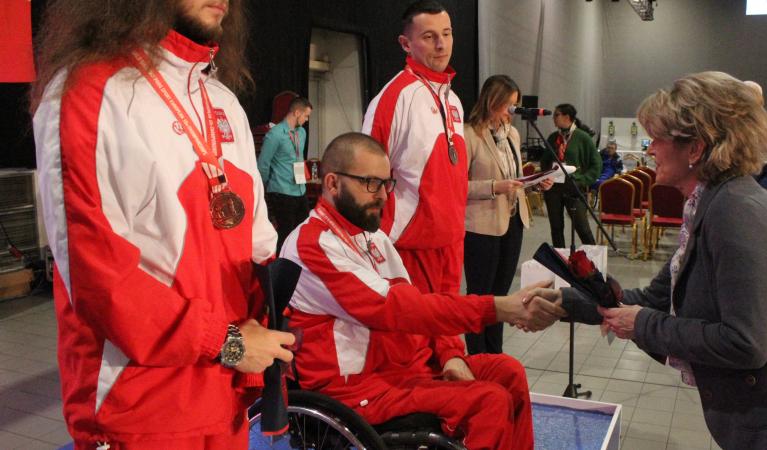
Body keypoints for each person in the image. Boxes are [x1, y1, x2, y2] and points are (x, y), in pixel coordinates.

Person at [31, 1, 296, 448]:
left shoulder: (222, 101)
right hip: (139, 407)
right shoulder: (87, 91)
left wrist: (261, 344)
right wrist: (228, 342)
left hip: (223, 395)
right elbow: (99, 279)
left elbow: (256, 243)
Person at [541, 72, 767, 450]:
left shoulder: (737, 213)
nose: (649, 149)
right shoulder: (711, 203)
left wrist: (642, 324)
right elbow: (654, 297)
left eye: (658, 138)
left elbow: (746, 343)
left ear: (695, 148)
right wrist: (562, 302)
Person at [282, 132, 567, 449]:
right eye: (371, 183)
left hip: (404, 369)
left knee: (508, 371)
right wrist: (498, 308)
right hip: (359, 388)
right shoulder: (311, 244)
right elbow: (399, 309)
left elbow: (420, 305)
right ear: (333, 184)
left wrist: (450, 353)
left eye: (387, 183)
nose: (384, 196)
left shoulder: (372, 237)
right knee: (488, 400)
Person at [362, 0, 466, 297]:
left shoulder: (453, 100)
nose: (441, 44)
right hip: (407, 248)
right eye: (429, 36)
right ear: (406, 44)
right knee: (411, 341)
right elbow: (364, 177)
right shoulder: (393, 98)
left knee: (447, 337)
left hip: (451, 243)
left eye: (446, 34)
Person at [463, 74, 554, 355]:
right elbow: (456, 186)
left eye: (514, 106)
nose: (510, 113)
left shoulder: (512, 134)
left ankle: (495, 354)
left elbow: (514, 175)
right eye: (507, 106)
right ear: (491, 101)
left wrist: (536, 181)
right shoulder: (469, 134)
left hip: (512, 221)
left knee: (502, 296)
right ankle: (478, 357)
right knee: (481, 296)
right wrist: (494, 187)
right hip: (481, 226)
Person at [539, 103, 601, 248]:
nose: (553, 118)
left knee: (583, 229)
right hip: (553, 188)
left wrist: (583, 180)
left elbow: (596, 164)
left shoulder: (582, 137)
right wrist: (546, 176)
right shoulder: (553, 137)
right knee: (556, 228)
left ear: (567, 117)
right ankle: (560, 262)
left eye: (556, 115)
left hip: (574, 188)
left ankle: (593, 263)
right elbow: (545, 160)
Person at [258, 95, 313, 252]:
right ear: (296, 112)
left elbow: (299, 158)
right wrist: (265, 187)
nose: (307, 119)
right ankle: (280, 267)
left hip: (300, 189)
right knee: (286, 234)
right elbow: (263, 164)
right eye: (306, 115)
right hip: (281, 190)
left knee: (302, 231)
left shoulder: (301, 133)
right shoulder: (274, 134)